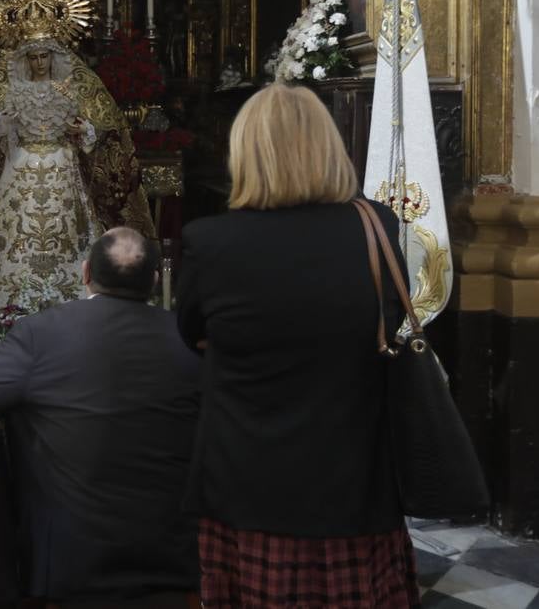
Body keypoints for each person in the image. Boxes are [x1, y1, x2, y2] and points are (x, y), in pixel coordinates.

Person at [176, 84, 420, 609]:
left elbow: (192, 335)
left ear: (244, 153)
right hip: (354, 475)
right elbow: (390, 321)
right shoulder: (378, 225)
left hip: (248, 476)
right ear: (331, 149)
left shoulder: (209, 241)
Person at [0, 227, 201, 605]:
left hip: (68, 564)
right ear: (155, 280)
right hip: (169, 559)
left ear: (85, 274)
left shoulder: (43, 333)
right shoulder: (188, 340)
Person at [0, 15, 154, 310]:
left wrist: (81, 131)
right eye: (33, 57)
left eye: (44, 56)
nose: (39, 63)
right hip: (21, 165)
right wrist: (2, 124)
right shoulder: (15, 89)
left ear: (53, 56)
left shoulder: (68, 88)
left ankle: (71, 294)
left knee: (68, 229)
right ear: (25, 60)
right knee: (15, 230)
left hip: (62, 165)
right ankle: (7, 303)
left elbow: (93, 130)